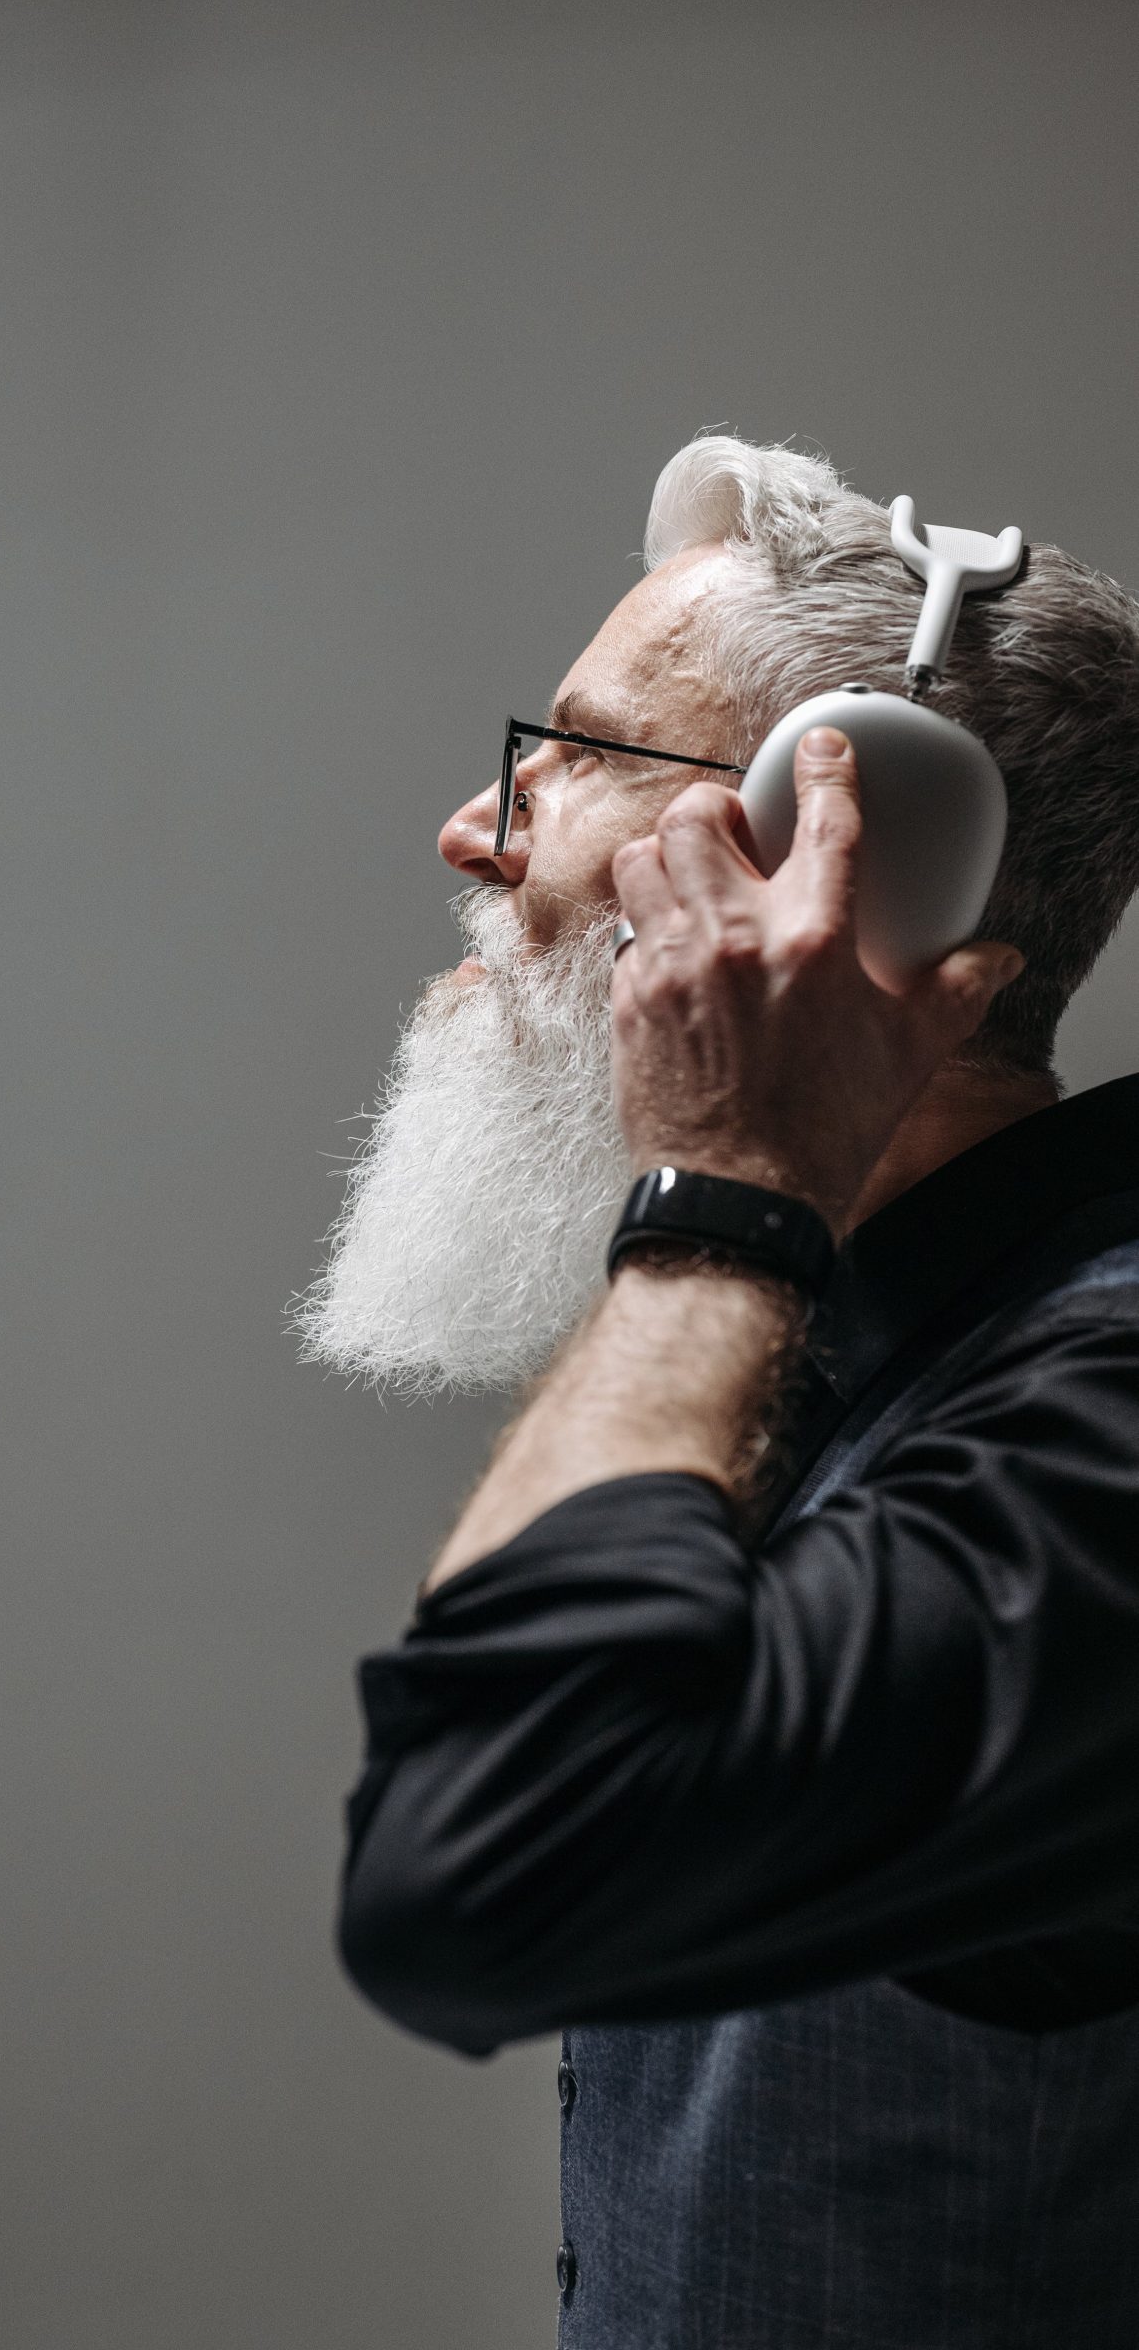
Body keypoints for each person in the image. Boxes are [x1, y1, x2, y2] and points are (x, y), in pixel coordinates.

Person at [296, 436, 1139, 2348]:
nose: (473, 825)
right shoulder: (836, 1346)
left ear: (867, 858)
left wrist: (724, 1195)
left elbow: (480, 1879)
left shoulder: (1096, 1417)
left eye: (582, 753)